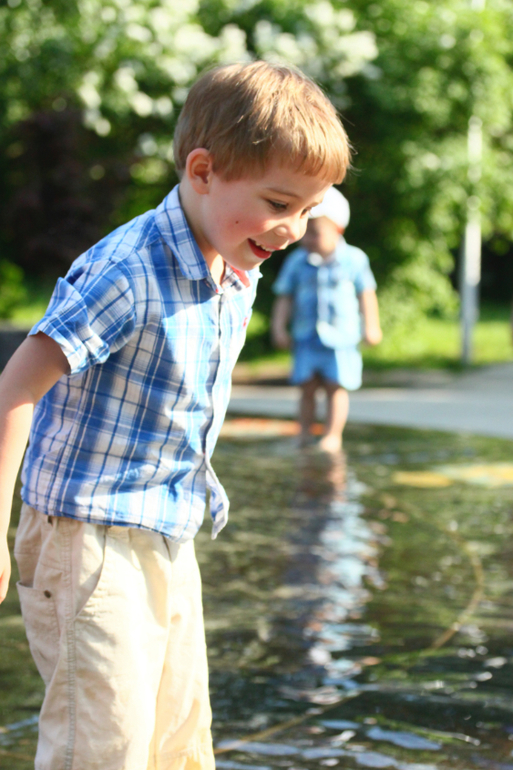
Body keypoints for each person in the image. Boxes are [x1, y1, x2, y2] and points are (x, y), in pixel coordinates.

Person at [0, 61, 350, 769]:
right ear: (202, 171)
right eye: (281, 202)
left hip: (165, 528)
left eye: (309, 209)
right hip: (85, 536)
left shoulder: (235, 265)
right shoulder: (129, 272)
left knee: (178, 737)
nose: (292, 229)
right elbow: (15, 389)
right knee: (101, 744)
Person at [271, 186, 381, 453]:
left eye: (315, 232)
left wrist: (372, 326)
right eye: (304, 230)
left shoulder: (354, 260)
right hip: (306, 336)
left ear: (338, 230)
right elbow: (285, 296)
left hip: (341, 338)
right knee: (306, 387)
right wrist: (278, 327)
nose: (307, 238)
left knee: (336, 386)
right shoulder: (297, 262)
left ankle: (333, 435)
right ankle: (305, 431)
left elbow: (366, 294)